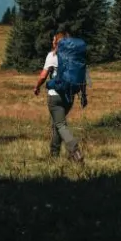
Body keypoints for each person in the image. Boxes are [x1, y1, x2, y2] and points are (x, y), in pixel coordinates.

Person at [33, 25, 87, 162]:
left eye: (53, 40)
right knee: (57, 124)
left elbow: (43, 76)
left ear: (57, 42)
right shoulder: (74, 57)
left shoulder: (52, 56)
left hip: (55, 96)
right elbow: (82, 76)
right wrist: (83, 95)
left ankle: (75, 151)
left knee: (61, 125)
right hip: (69, 97)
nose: (52, 42)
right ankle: (54, 155)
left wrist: (37, 87)